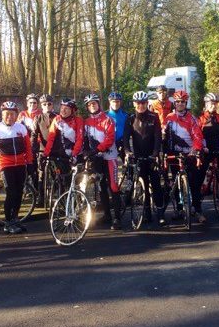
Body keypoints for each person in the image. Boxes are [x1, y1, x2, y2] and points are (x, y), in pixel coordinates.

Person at [0, 102, 34, 234]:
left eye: (12, 114)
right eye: (6, 114)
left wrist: (30, 163)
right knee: (11, 192)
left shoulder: (21, 128)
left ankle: (15, 219)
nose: (9, 116)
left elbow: (28, 148)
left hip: (20, 164)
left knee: (19, 192)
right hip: (5, 165)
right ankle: (8, 222)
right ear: (2, 115)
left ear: (16, 115)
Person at [162, 90, 206, 223]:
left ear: (186, 103)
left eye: (182, 102)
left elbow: (198, 136)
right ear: (174, 103)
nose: (180, 104)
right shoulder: (169, 118)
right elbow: (163, 135)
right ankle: (180, 209)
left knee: (194, 183)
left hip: (189, 154)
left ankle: (197, 210)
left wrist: (195, 150)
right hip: (173, 155)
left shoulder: (192, 119)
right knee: (176, 182)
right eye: (177, 102)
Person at [123, 91, 166, 225]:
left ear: (147, 103)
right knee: (144, 186)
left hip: (151, 156)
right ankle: (147, 213)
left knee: (156, 185)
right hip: (138, 156)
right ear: (134, 104)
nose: (141, 106)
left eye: (143, 103)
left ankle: (160, 214)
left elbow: (158, 137)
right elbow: (125, 138)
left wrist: (155, 153)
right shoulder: (130, 118)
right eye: (138, 103)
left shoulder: (154, 117)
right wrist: (127, 151)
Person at [83, 93, 122, 230]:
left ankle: (117, 218)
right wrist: (86, 152)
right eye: (89, 104)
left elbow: (110, 139)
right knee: (101, 187)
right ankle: (107, 215)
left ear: (99, 104)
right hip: (97, 159)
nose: (92, 106)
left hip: (110, 157)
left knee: (113, 186)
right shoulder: (86, 122)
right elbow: (85, 140)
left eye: (94, 103)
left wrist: (96, 149)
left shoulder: (108, 119)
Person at [199, 93, 219, 213]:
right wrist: (203, 147)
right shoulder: (201, 118)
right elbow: (198, 136)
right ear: (206, 104)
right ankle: (196, 204)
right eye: (212, 103)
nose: (214, 106)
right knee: (201, 175)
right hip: (206, 151)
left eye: (215, 103)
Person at [42, 98, 84, 175]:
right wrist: (46, 153)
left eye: (66, 108)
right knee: (61, 179)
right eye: (62, 108)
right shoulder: (57, 119)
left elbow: (79, 139)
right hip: (61, 155)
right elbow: (51, 138)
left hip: (75, 154)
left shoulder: (78, 121)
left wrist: (74, 154)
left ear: (72, 110)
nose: (63, 111)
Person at [31, 93, 57, 205]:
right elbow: (33, 134)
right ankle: (41, 198)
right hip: (42, 149)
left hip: (56, 150)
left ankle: (58, 194)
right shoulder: (37, 118)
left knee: (58, 174)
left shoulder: (57, 117)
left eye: (49, 104)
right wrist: (33, 148)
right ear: (41, 106)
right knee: (41, 174)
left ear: (52, 105)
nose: (47, 106)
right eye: (44, 104)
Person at [106, 92, 128, 157]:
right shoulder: (105, 115)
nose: (115, 104)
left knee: (127, 164)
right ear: (110, 102)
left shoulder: (125, 115)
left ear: (120, 102)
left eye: (117, 101)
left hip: (122, 142)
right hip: (109, 143)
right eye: (113, 101)